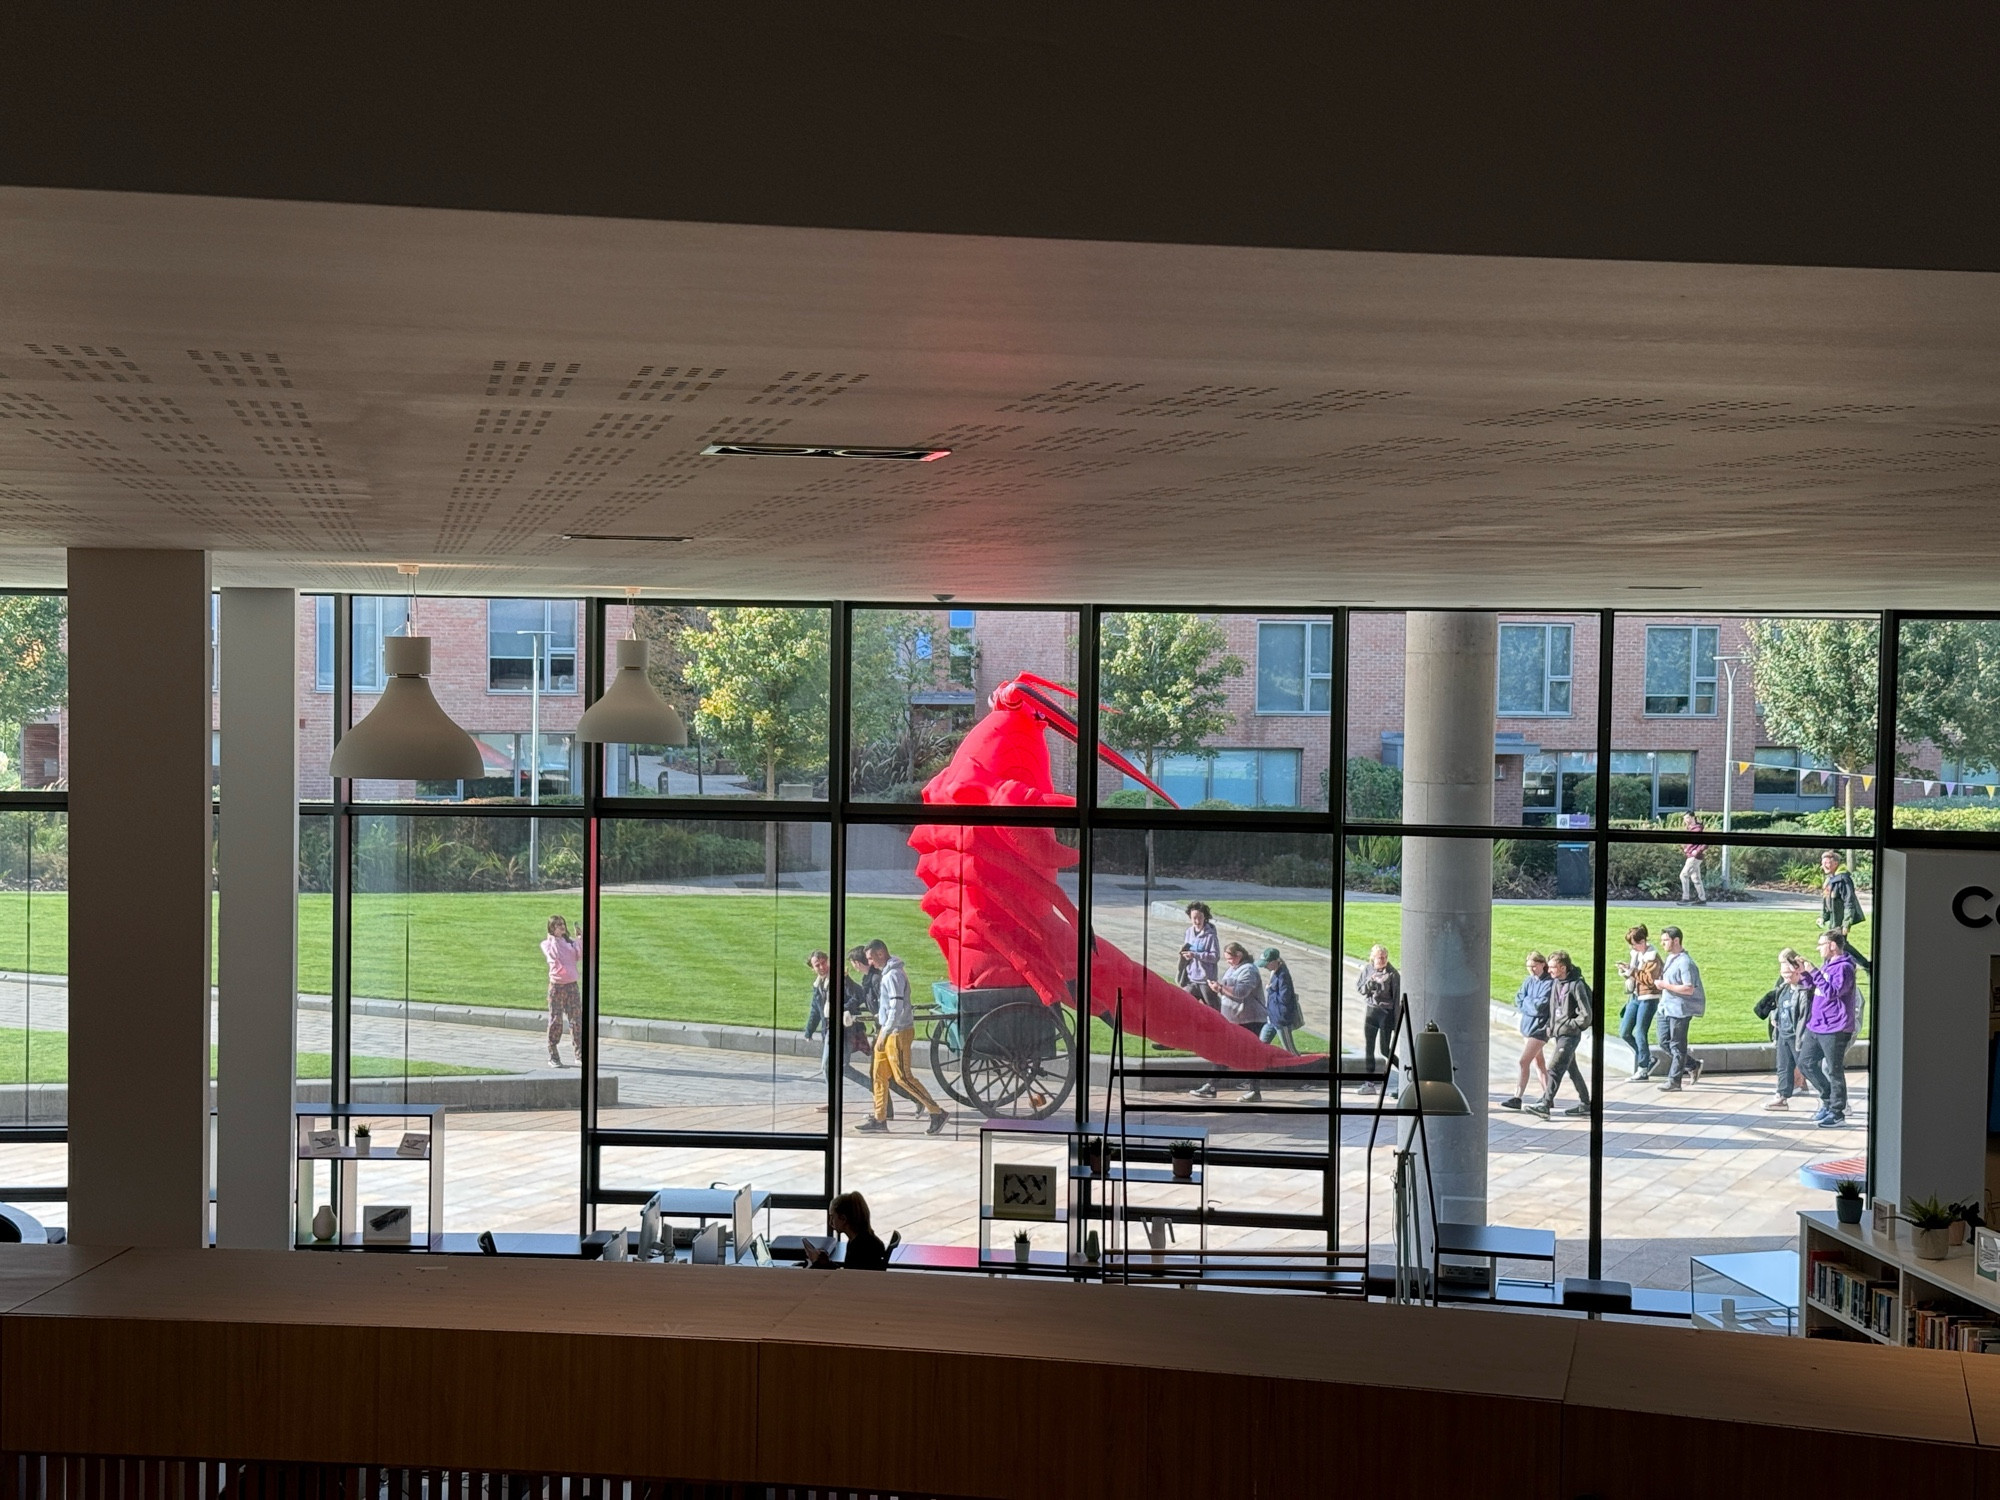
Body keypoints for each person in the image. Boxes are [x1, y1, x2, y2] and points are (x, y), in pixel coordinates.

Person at [854, 939, 948, 1136]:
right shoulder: (888, 974)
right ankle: (880, 1118)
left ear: (881, 954)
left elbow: (896, 1008)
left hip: (898, 1031)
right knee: (878, 1075)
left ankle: (936, 1112)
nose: (869, 962)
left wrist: (885, 1032)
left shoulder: (893, 975)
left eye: (871, 958)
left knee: (903, 1076)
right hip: (887, 1030)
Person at [1798, 929, 1861, 1128]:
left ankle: (1837, 1112)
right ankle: (1827, 1100)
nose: (1818, 948)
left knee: (1834, 1071)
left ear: (1832, 945)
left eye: (1821, 944)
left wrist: (1815, 972)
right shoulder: (1828, 965)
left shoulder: (1844, 968)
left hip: (1835, 1028)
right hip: (1816, 1025)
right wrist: (1804, 973)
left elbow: (1833, 992)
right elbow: (1815, 987)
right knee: (1805, 1062)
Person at [1194, 942, 1268, 1100]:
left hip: (1251, 1021)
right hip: (1234, 1020)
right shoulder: (1233, 968)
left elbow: (1241, 992)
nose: (1228, 961)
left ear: (1239, 955)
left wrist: (1220, 989)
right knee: (1223, 1052)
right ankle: (1211, 1086)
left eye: (1230, 958)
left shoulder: (1249, 970)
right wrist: (1219, 988)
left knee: (1250, 1055)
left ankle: (1254, 1091)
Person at [1525, 950, 1592, 1119]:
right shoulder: (1556, 983)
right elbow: (1554, 1008)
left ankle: (1545, 1104)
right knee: (1572, 1069)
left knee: (1554, 1068)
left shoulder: (1576, 985)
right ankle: (1585, 1103)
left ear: (1563, 968)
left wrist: (1570, 1025)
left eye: (1553, 967)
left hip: (1569, 1035)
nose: (1549, 970)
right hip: (1558, 1033)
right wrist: (1551, 1027)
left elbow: (1586, 1015)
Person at [1754, 947, 1812, 1111]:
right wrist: (1775, 1018)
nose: (1783, 972)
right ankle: (1781, 1096)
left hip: (1799, 1035)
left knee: (1809, 1066)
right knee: (1783, 1066)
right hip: (1784, 1033)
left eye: (1785, 967)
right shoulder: (1783, 986)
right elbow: (1780, 1004)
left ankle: (1832, 1100)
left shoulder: (1804, 987)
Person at [1656, 924, 1705, 1091]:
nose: (1662, 944)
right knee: (1663, 1042)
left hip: (1679, 1010)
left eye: (1665, 940)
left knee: (1677, 1045)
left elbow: (1689, 988)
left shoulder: (1685, 963)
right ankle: (1692, 1065)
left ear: (1676, 940)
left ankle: (1674, 1082)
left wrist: (1665, 985)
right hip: (1665, 1008)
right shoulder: (1671, 958)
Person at [1501, 951, 1552, 1111]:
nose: (1531, 970)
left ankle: (1518, 1097)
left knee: (1524, 1061)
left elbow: (1540, 1006)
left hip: (1539, 1029)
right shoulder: (1528, 981)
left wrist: (1527, 1003)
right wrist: (1529, 1004)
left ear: (1542, 964)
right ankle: (1548, 1095)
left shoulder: (1549, 984)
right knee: (1539, 1062)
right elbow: (1518, 999)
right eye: (1529, 967)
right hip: (1528, 1027)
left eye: (1534, 966)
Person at [1615, 924, 1665, 1081]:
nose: (1633, 947)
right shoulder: (1636, 955)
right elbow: (1637, 976)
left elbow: (1650, 980)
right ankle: (1647, 1058)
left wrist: (1631, 971)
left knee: (1640, 1032)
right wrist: (1627, 972)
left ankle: (1643, 1068)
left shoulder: (1653, 958)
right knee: (1624, 1032)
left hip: (1649, 998)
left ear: (1643, 941)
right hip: (1636, 996)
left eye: (1635, 944)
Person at [1355, 944, 1402, 1094]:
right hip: (1371, 1011)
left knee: (1384, 1049)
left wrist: (1396, 1022)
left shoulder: (1393, 974)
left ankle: (1408, 1074)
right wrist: (1369, 985)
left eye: (1384, 957)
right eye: (1379, 957)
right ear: (1373, 958)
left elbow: (1396, 1000)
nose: (1382, 960)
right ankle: (1369, 1084)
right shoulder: (1368, 969)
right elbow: (1360, 988)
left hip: (1386, 1014)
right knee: (1369, 1047)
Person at [803, 1190, 891, 1270]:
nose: (830, 1223)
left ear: (843, 1219)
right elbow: (848, 1273)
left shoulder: (861, 1248)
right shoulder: (863, 1240)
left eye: (832, 1217)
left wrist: (816, 1262)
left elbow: (848, 1279)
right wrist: (827, 1263)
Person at [1819, 851, 1874, 978]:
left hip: (1840, 921)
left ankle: (1826, 970)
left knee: (1833, 944)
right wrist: (1823, 917)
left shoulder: (1843, 879)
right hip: (1833, 920)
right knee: (1840, 945)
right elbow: (1826, 901)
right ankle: (1864, 966)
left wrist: (1846, 924)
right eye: (1823, 863)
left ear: (1836, 863)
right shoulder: (1830, 880)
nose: (1824, 866)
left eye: (1827, 863)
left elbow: (1849, 902)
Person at [540, 914, 585, 1068]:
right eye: (557, 925)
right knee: (556, 1020)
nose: (561, 927)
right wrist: (554, 938)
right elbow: (553, 955)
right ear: (551, 928)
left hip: (571, 985)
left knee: (577, 1020)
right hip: (557, 986)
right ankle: (553, 1055)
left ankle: (579, 1053)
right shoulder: (547, 944)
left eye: (562, 924)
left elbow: (580, 955)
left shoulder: (570, 943)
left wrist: (579, 939)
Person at [1257, 947, 1302, 1056]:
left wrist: (1270, 989)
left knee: (1290, 1051)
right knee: (1260, 1046)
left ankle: (1301, 1067)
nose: (1265, 967)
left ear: (1273, 962)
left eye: (1266, 964)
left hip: (1281, 1020)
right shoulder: (1275, 971)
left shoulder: (1283, 975)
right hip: (1272, 1018)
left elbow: (1284, 998)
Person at [1180, 902, 1221, 1009]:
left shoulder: (1211, 936)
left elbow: (1215, 957)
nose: (1197, 921)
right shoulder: (1189, 932)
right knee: (1183, 1005)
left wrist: (1195, 955)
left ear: (1205, 917)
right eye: (1194, 918)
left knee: (1212, 1009)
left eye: (1200, 918)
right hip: (1191, 979)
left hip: (1206, 980)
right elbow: (1187, 948)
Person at [1678, 814, 1709, 905]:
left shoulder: (1698, 830)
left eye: (1687, 818)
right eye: (1684, 819)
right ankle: (1702, 899)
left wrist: (1697, 851)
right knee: (1696, 878)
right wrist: (1686, 848)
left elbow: (1705, 843)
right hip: (1692, 856)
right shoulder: (1690, 829)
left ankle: (1685, 898)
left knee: (1683, 875)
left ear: (1692, 818)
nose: (1685, 820)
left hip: (1694, 857)